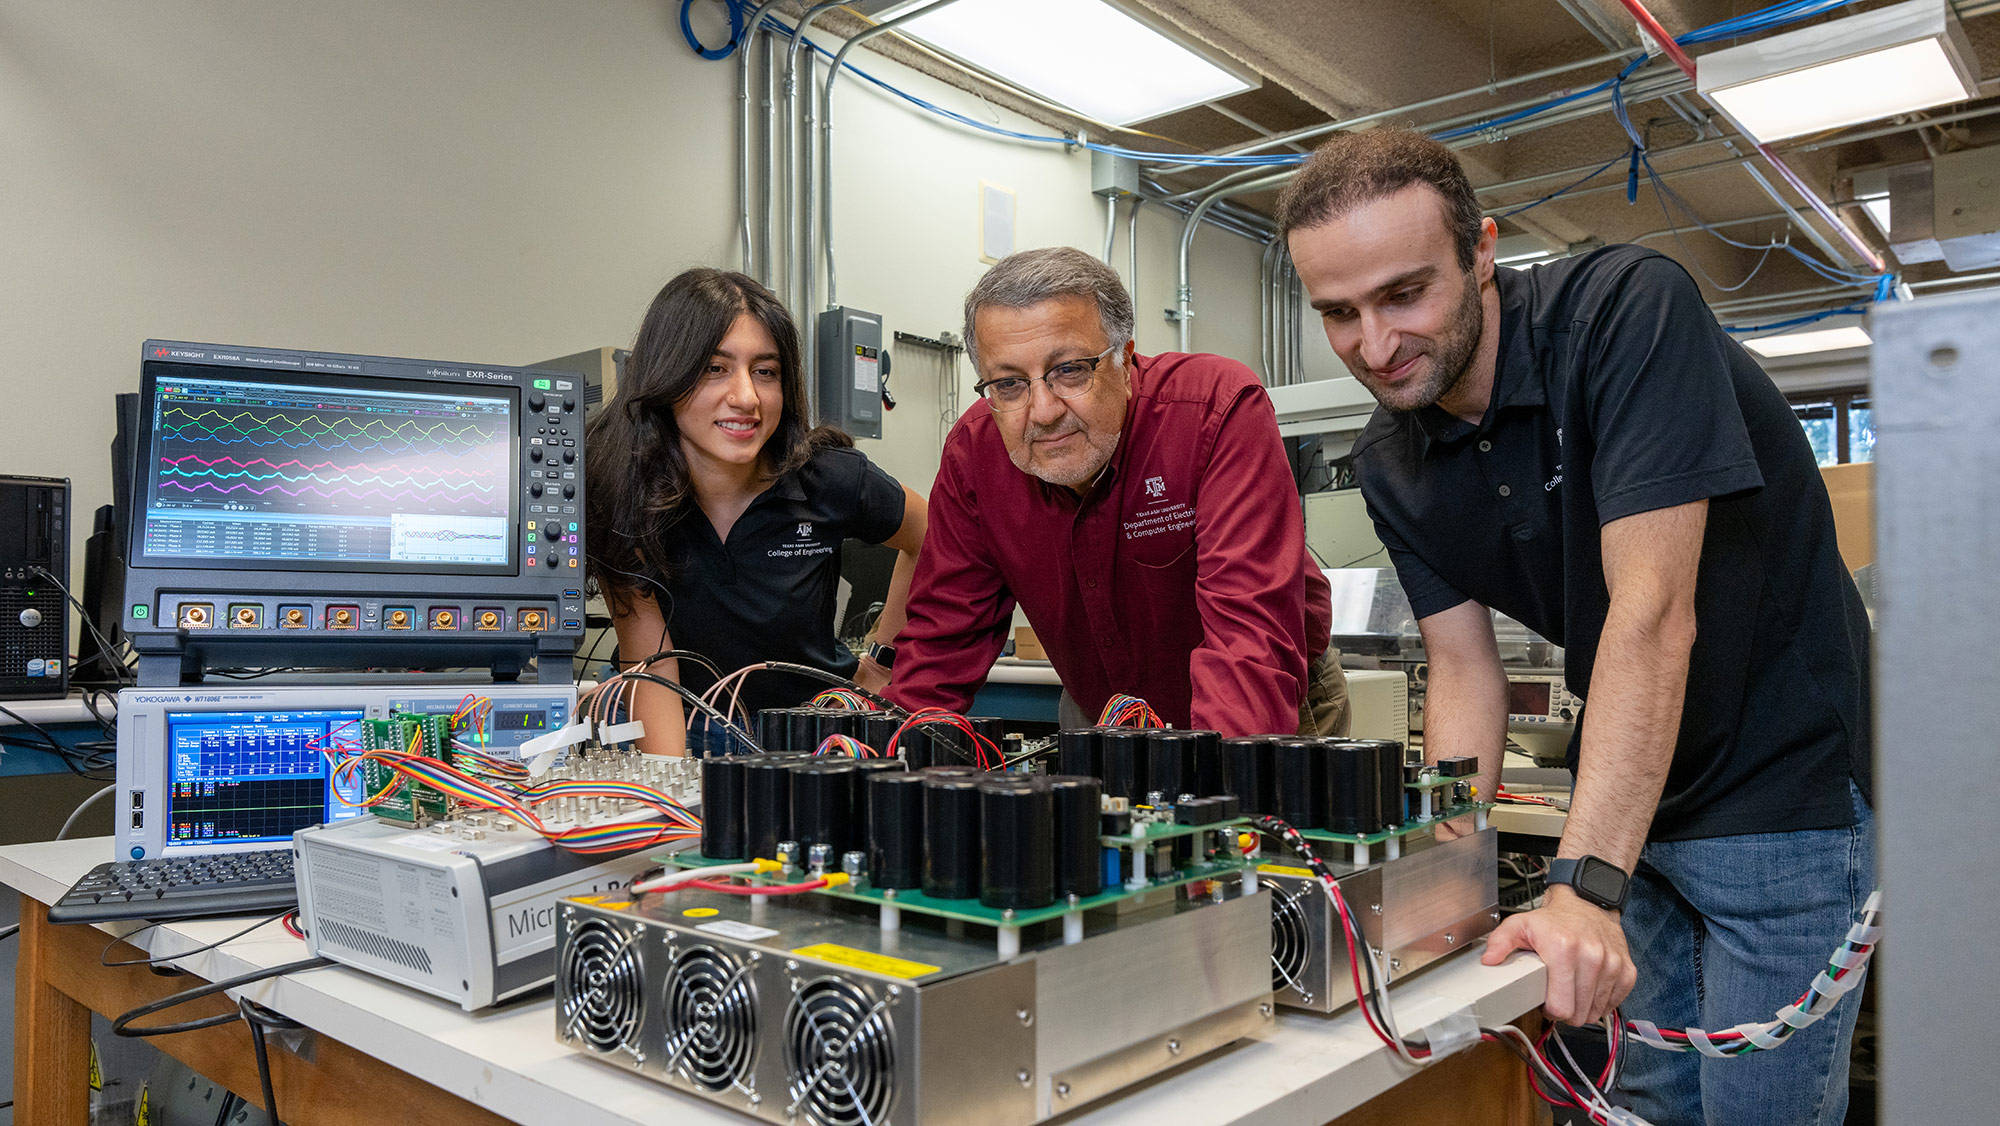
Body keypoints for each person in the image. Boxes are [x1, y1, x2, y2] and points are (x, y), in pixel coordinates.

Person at [1277, 129, 1872, 1126]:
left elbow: (1650, 614)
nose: (1374, 346)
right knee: (1641, 1107)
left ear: (1479, 254)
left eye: (1402, 295)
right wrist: (1442, 872)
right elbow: (1459, 666)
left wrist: (1583, 888)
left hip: (1783, 792)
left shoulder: (1623, 315)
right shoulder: (1392, 462)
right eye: (1338, 313)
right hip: (1640, 802)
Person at [885, 246, 1345, 739]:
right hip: (1103, 712)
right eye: (1010, 384)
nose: (1042, 411)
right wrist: (880, 767)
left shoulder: (1215, 409)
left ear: (1124, 360)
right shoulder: (975, 454)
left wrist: (1215, 796)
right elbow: (943, 641)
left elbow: (1249, 638)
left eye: (1069, 370)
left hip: (1263, 700)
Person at [584, 268, 927, 755]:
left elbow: (930, 535)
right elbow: (654, 669)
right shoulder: (624, 492)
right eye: (714, 368)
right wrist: (674, 795)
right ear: (666, 376)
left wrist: (880, 662)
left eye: (765, 372)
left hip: (811, 731)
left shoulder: (830, 477)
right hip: (683, 723)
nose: (746, 397)